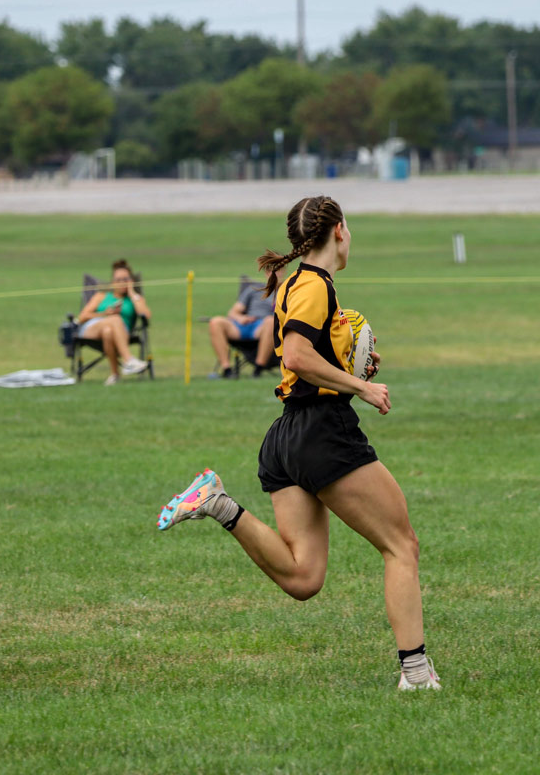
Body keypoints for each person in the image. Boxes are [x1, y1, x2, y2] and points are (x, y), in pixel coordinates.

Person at [157, 196, 440, 691]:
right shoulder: (314, 286)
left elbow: (307, 355)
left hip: (287, 439)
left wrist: (350, 365)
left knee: (304, 577)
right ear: (338, 231)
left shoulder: (294, 284)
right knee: (402, 546)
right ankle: (415, 674)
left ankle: (218, 503)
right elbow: (297, 356)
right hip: (322, 433)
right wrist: (361, 388)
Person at [75, 259, 151, 386]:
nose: (122, 283)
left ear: (131, 281)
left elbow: (146, 317)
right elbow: (82, 317)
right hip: (93, 329)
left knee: (108, 332)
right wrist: (105, 314)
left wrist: (132, 293)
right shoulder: (101, 296)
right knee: (115, 318)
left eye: (125, 279)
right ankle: (128, 360)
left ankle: (115, 375)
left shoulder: (135, 299)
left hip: (121, 333)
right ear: (112, 282)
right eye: (118, 280)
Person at [207, 268, 282, 379]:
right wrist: (241, 318)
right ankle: (227, 370)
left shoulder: (286, 291)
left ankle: (258, 370)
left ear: (283, 271)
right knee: (215, 322)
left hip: (264, 328)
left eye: (278, 270)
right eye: (271, 270)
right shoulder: (253, 289)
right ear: (266, 273)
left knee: (271, 321)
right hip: (244, 325)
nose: (275, 274)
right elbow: (233, 312)